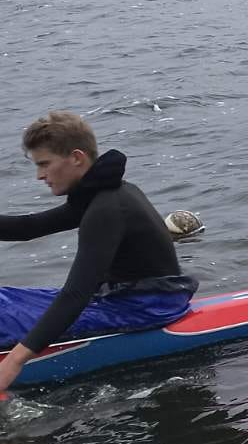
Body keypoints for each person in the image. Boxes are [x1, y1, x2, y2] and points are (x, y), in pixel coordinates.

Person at [1, 112, 197, 392]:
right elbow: (28, 227)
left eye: (45, 164)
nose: (39, 175)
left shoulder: (108, 207)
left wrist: (14, 362)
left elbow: (76, 294)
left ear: (76, 158)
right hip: (129, 298)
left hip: (144, 308)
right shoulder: (103, 194)